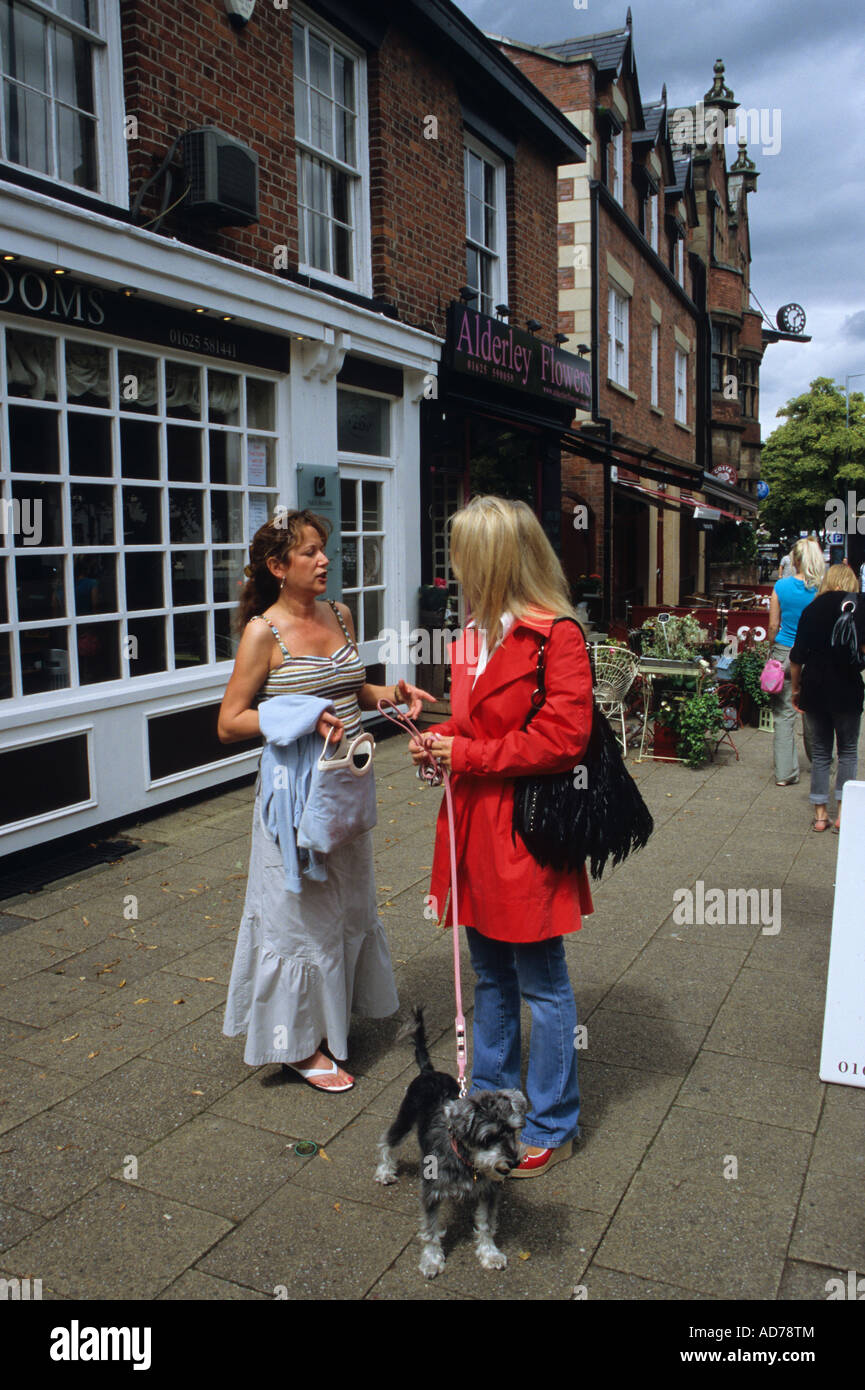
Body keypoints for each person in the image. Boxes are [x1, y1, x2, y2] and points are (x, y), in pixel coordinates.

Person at [411, 496, 594, 1177]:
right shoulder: (471, 635)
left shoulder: (557, 637)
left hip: (523, 829)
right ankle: (487, 1107)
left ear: (492, 560)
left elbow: (563, 740)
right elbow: (475, 727)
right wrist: (438, 739)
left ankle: (552, 1119)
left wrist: (467, 756)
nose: (454, 568)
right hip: (472, 826)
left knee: (541, 983)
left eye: (462, 554)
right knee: (489, 976)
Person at [218, 510, 431, 1092]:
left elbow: (353, 688)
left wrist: (392, 694)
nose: (323, 561)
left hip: (347, 781)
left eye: (324, 551)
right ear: (277, 566)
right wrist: (305, 715)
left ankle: (334, 1017)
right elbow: (230, 721)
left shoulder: (339, 613)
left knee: (346, 903)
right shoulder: (265, 631)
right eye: (310, 552)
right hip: (294, 793)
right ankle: (297, 1045)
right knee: (299, 915)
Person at [790, 565, 865, 832]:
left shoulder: (812, 609)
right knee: (847, 751)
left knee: (821, 751)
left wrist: (796, 689)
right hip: (848, 688)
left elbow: (797, 656)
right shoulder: (859, 607)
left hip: (815, 687)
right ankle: (843, 812)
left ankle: (820, 814)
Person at [767, 537, 825, 785]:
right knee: (813, 711)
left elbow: (772, 625)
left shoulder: (780, 586)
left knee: (783, 715)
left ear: (796, 560)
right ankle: (821, 763)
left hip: (784, 653)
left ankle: (785, 774)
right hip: (813, 654)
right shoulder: (822, 589)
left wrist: (772, 649)